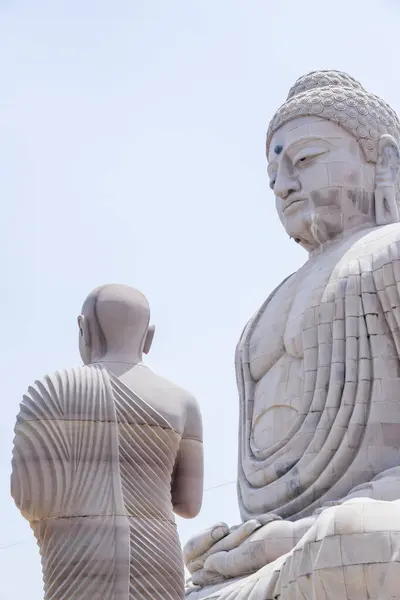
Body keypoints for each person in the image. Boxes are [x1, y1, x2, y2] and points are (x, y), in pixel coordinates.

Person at [184, 70, 400, 600]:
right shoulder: (260, 315)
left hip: (357, 536)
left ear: (385, 162)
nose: (283, 183)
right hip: (277, 557)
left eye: (304, 160)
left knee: (348, 543)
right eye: (273, 173)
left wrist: (298, 535)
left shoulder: (392, 256)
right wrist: (248, 542)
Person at [11, 284, 203, 600]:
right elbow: (189, 504)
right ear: (149, 337)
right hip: (159, 566)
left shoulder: (52, 390)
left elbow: (29, 497)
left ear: (84, 330)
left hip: (78, 562)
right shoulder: (183, 402)